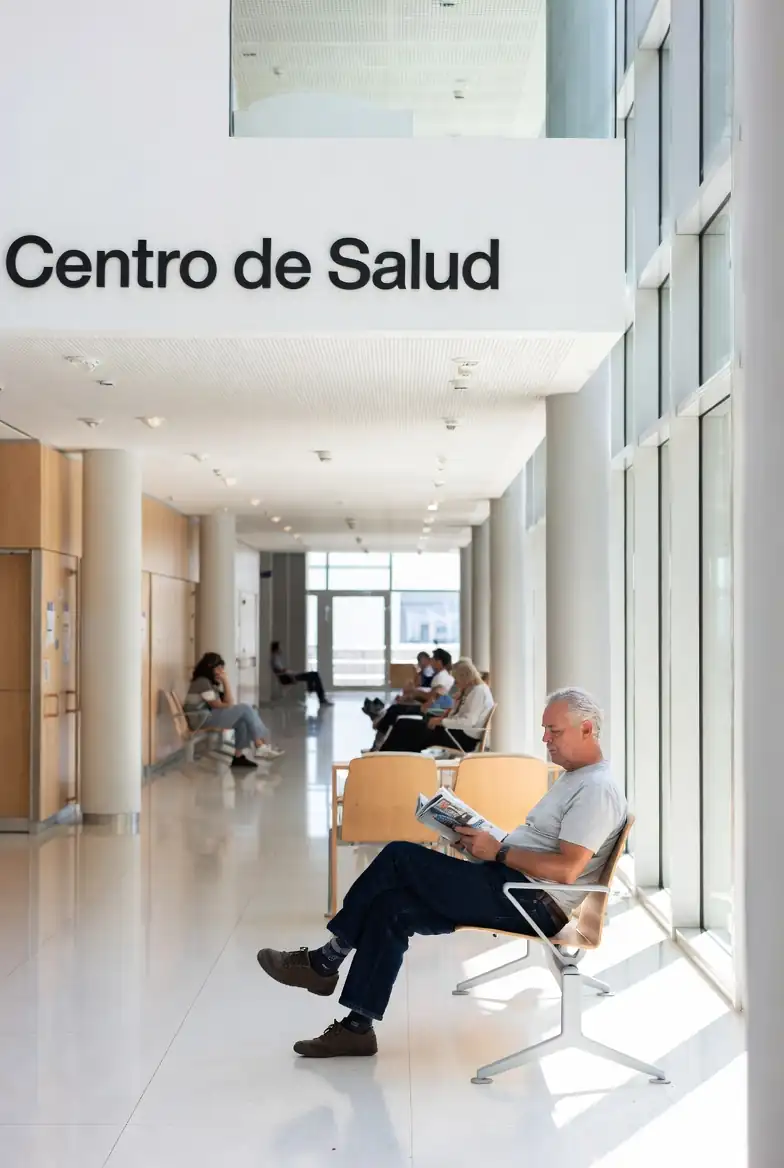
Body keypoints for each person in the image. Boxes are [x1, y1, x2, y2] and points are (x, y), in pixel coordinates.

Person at [256, 687, 627, 1058]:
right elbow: (544, 851)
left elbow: (567, 870)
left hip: (528, 901)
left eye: (554, 731)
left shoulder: (596, 790)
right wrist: (484, 843)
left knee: (398, 856)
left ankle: (326, 960)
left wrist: (499, 851)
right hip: (514, 887)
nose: (545, 739)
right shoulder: (575, 778)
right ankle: (357, 1028)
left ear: (586, 729)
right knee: (391, 908)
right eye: (545, 729)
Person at [184, 653, 284, 769]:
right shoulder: (202, 682)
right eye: (218, 668)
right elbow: (220, 705)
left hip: (205, 716)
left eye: (222, 668)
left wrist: (224, 683)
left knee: (242, 719)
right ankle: (260, 746)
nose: (221, 671)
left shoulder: (208, 683)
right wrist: (225, 681)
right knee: (245, 708)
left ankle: (238, 757)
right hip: (200, 719)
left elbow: (227, 703)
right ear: (209, 667)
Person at [378, 657, 493, 754]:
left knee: (407, 727)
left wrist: (440, 721)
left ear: (464, 677)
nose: (456, 683)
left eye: (457, 680)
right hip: (456, 732)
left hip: (461, 738)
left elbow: (467, 722)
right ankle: (388, 757)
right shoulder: (474, 690)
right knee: (405, 725)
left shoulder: (478, 692)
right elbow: (460, 716)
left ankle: (383, 758)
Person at [367, 648, 454, 750]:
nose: (431, 661)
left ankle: (379, 734)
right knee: (395, 709)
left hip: (433, 710)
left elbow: (432, 697)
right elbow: (432, 696)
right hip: (433, 708)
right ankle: (379, 729)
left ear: (439, 662)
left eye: (433, 659)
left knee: (395, 710)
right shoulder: (441, 675)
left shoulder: (441, 677)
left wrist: (415, 694)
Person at [362, 652, 434, 720]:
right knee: (397, 700)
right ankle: (380, 711)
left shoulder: (430, 671)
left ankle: (380, 712)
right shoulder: (423, 672)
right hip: (419, 696)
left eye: (421, 660)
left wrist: (412, 690)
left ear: (428, 659)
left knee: (396, 704)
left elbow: (425, 689)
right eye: (419, 661)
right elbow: (419, 685)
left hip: (422, 698)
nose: (420, 663)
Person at [270, 641, 333, 706]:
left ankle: (311, 689)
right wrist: (292, 675)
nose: (281, 648)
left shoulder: (275, 657)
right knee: (314, 675)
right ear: (277, 648)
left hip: (289, 675)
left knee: (314, 674)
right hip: (288, 677)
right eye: (280, 647)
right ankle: (316, 694)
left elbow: (281, 670)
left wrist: (291, 672)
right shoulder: (275, 658)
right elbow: (280, 670)